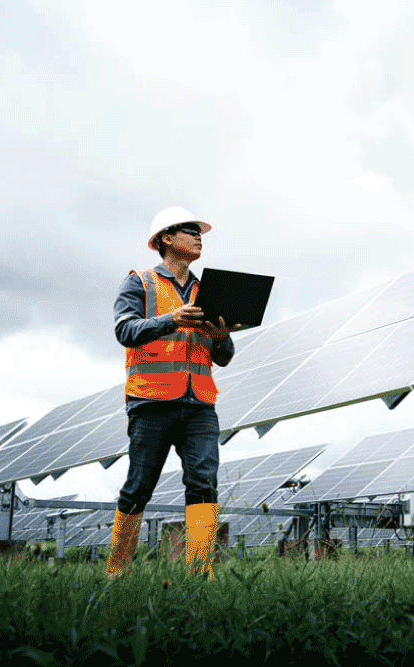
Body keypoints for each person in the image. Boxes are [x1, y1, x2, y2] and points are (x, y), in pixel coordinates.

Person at [104, 206, 240, 579]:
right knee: (138, 487)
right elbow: (124, 331)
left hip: (200, 405)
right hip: (152, 401)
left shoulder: (208, 291)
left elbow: (224, 357)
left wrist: (221, 337)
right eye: (190, 231)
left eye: (200, 233)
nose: (199, 237)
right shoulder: (140, 283)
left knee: (204, 482)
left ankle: (199, 575)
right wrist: (172, 319)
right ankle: (117, 572)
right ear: (166, 238)